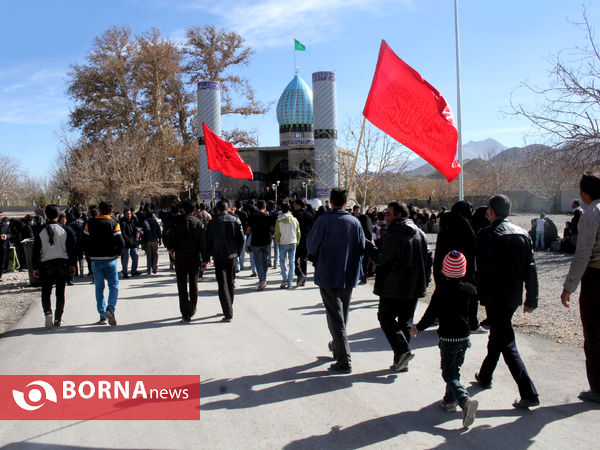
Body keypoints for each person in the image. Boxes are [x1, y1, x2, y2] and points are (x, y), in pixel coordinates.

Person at [474, 194, 540, 409]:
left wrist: (477, 296)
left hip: (495, 296)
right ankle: (485, 375)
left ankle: (528, 391)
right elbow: (530, 269)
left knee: (506, 341)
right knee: (499, 335)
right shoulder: (522, 234)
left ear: (491, 211)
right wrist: (532, 297)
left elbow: (481, 270)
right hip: (513, 296)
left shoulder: (487, 234)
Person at [411, 250, 478, 428]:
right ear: (464, 270)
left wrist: (418, 328)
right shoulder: (471, 289)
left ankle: (464, 399)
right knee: (454, 368)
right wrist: (472, 325)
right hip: (464, 337)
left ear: (444, 270)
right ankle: (449, 401)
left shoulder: (441, 291)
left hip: (448, 337)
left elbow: (431, 314)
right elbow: (473, 317)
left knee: (448, 372)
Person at [366, 201, 432, 372]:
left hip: (393, 286)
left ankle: (402, 351)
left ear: (400, 216)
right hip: (414, 286)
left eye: (389, 213)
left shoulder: (392, 235)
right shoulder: (419, 232)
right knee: (405, 322)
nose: (385, 216)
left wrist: (370, 247)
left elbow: (381, 259)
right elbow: (428, 257)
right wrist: (425, 279)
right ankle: (401, 362)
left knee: (385, 318)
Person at [307, 188, 365, 373]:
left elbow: (312, 245)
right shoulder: (354, 222)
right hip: (348, 274)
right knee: (342, 314)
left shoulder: (323, 221)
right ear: (345, 201)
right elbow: (362, 246)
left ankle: (344, 358)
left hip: (328, 273)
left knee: (335, 316)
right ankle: (337, 346)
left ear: (331, 201)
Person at [561, 172, 600, 403]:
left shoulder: (590, 215)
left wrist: (569, 286)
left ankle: (597, 387)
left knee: (594, 335)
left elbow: (583, 254)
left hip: (595, 280)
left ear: (584, 193)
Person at [433, 200, 485, 333]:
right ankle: (472, 324)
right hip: (460, 267)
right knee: (469, 295)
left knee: (444, 295)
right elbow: (474, 245)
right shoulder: (463, 223)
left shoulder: (445, 221)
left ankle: (440, 320)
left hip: (443, 266)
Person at [32, 205, 76, 328]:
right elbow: (71, 249)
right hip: (62, 263)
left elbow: (36, 250)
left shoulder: (40, 230)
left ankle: (47, 313)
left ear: (45, 215)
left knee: (46, 292)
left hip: (46, 264)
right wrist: (72, 264)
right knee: (60, 292)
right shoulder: (65, 229)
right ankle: (58, 318)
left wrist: (35, 267)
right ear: (58, 215)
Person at [163, 200, 207, 322]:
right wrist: (205, 259)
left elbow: (165, 234)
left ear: (182, 209)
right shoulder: (198, 222)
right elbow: (203, 241)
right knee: (193, 283)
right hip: (193, 257)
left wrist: (170, 248)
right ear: (193, 210)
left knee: (181, 284)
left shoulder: (175, 221)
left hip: (180, 256)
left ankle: (184, 312)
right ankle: (192, 307)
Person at [83, 200, 125, 326]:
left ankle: (102, 315)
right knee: (113, 285)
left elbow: (84, 241)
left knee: (99, 288)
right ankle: (110, 308)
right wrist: (117, 253)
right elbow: (121, 242)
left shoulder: (89, 223)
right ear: (111, 211)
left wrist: (88, 254)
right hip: (110, 259)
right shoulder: (114, 223)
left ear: (99, 210)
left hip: (95, 260)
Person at [206, 199, 244, 322]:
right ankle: (229, 307)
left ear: (217, 209)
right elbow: (241, 239)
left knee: (222, 284)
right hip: (232, 255)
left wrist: (208, 256)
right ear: (228, 208)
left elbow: (208, 240)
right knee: (230, 282)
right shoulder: (235, 219)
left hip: (218, 255)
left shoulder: (213, 222)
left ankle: (227, 311)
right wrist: (237, 252)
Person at [247, 200, 274, 291]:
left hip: (256, 241)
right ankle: (264, 278)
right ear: (265, 207)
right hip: (266, 241)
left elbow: (248, 230)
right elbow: (272, 228)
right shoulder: (268, 216)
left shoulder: (252, 217)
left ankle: (262, 280)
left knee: (258, 261)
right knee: (264, 260)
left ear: (257, 207)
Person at [275, 202, 300, 289]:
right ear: (289, 209)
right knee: (292, 262)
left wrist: (278, 242)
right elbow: (298, 233)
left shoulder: (279, 220)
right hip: (293, 242)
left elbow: (277, 234)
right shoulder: (294, 220)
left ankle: (285, 279)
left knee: (282, 261)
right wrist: (297, 241)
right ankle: (290, 282)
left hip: (283, 242)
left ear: (281, 209)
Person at [293, 198, 314, 287]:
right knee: (304, 260)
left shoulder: (295, 215)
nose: (293, 206)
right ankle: (303, 278)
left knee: (293, 259)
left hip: (297, 240)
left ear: (298, 205)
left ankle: (299, 274)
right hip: (307, 240)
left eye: (295, 204)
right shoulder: (309, 215)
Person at [119, 209, 140, 278]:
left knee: (135, 256)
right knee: (125, 259)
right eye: (127, 214)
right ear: (124, 215)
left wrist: (136, 235)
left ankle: (134, 271)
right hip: (126, 244)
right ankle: (125, 273)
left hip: (133, 243)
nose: (129, 215)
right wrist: (128, 240)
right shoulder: (122, 222)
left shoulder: (133, 220)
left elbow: (135, 229)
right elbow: (123, 233)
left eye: (130, 214)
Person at [141, 209, 161, 274]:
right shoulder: (155, 222)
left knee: (149, 255)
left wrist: (143, 242)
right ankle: (154, 267)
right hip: (155, 240)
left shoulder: (145, 222)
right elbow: (159, 231)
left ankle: (149, 269)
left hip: (148, 241)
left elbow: (143, 233)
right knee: (155, 254)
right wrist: (160, 239)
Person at [0, 211, 11, 279]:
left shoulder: (5, 225)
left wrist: (6, 236)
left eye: (0, 215)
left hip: (4, 246)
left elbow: (10, 234)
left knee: (2, 261)